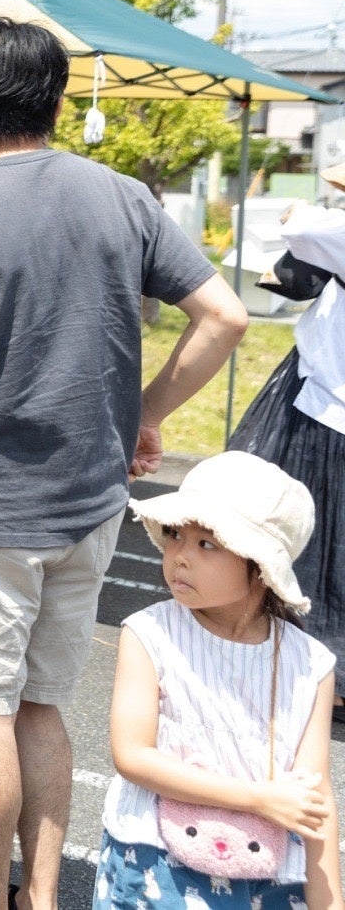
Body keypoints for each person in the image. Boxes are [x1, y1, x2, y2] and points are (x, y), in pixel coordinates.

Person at [0, 17, 248, 910]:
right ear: (58, 99)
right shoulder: (122, 196)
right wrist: (145, 412)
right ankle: (40, 895)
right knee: (41, 704)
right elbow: (225, 316)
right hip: (91, 498)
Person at [97, 451, 338, 910]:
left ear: (261, 566)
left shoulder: (311, 663)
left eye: (207, 544)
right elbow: (132, 756)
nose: (180, 557)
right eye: (175, 535)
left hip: (268, 876)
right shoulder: (149, 634)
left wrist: (330, 901)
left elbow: (314, 795)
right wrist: (256, 799)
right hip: (156, 864)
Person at [228, 174, 345, 689]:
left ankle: (316, 665)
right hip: (317, 395)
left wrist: (293, 213)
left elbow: (303, 224)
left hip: (328, 411)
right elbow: (291, 276)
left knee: (308, 532)